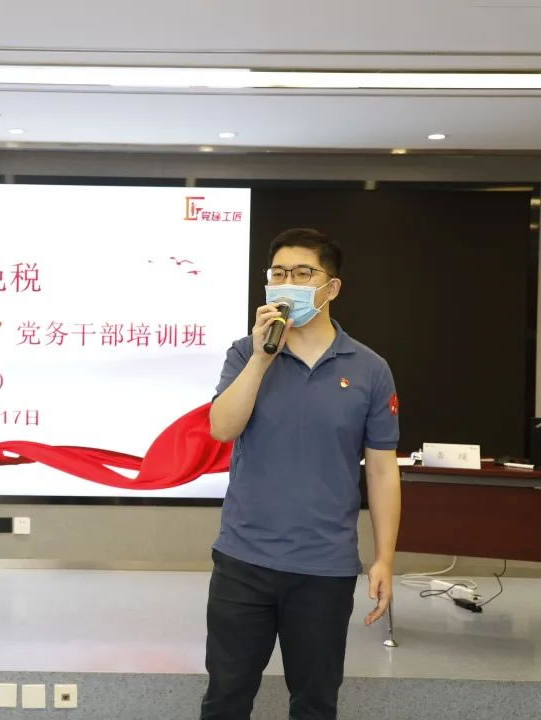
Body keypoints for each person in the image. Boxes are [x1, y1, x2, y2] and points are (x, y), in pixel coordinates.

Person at [200, 228, 402, 720]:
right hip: (243, 559)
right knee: (226, 698)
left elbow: (382, 469)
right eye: (278, 273)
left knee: (315, 703)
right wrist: (261, 358)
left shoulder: (370, 369)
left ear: (331, 287)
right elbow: (222, 428)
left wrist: (384, 558)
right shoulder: (244, 353)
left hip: (324, 568)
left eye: (302, 273)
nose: (287, 283)